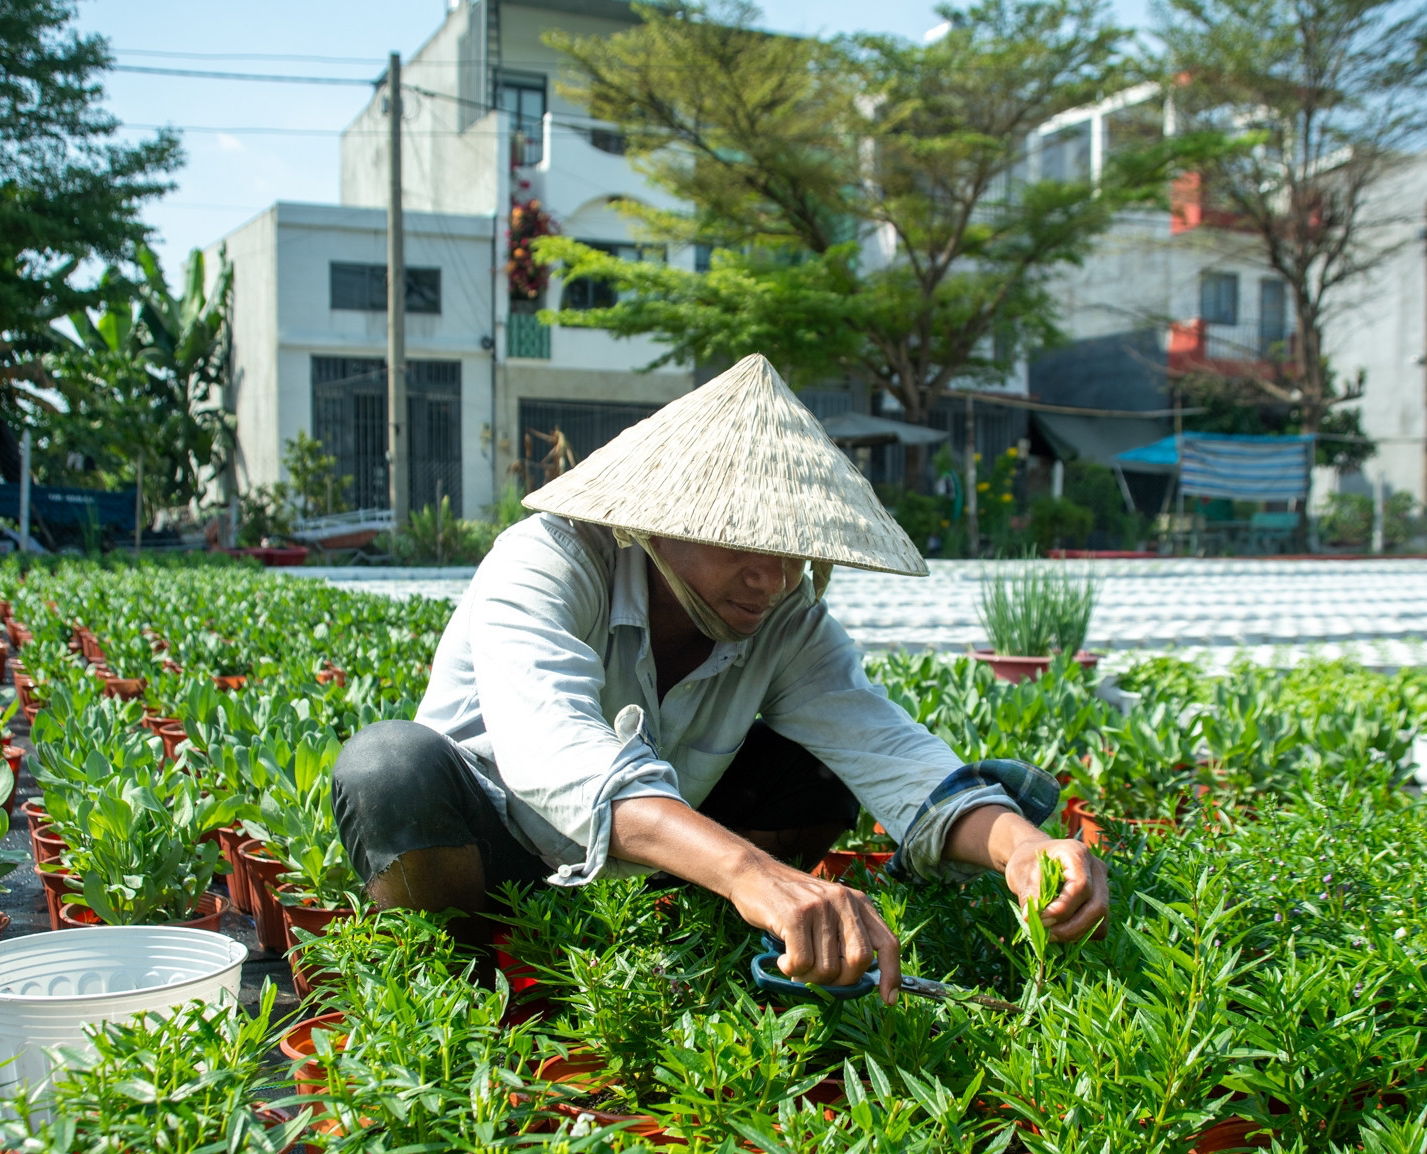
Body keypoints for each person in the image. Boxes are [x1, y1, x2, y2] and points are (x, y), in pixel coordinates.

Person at [332, 354, 1107, 1001]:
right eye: (740, 543)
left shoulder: (785, 620)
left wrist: (1024, 849)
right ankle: (465, 985)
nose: (767, 578)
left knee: (819, 766)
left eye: (790, 550)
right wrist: (749, 870)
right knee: (388, 768)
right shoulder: (547, 561)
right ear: (660, 522)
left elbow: (884, 746)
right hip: (493, 845)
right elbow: (556, 757)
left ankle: (700, 948)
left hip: (657, 866)